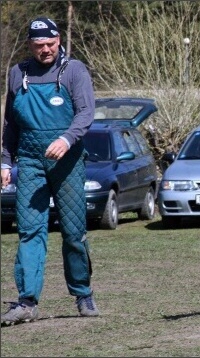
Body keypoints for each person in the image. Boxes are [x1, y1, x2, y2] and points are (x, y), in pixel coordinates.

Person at [1, 17, 99, 326]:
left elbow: (86, 112)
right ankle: (27, 302)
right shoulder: (17, 74)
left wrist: (67, 138)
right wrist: (5, 161)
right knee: (29, 231)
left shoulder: (74, 71)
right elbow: (10, 124)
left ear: (59, 40)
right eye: (39, 45)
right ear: (29, 45)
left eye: (51, 44)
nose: (46, 50)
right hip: (29, 161)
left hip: (66, 163)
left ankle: (83, 294)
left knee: (72, 232)